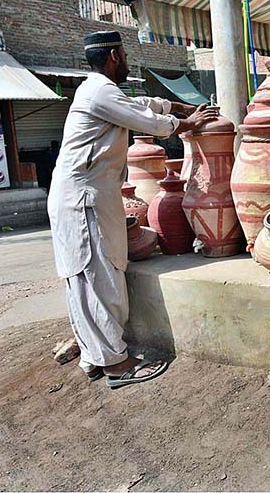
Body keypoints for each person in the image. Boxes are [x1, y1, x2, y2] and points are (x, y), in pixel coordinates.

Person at [47, 31, 218, 388]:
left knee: (93, 275)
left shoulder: (100, 91)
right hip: (83, 199)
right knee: (98, 275)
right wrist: (189, 123)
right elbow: (149, 122)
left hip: (86, 194)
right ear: (113, 56)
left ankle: (95, 357)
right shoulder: (99, 92)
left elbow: (143, 103)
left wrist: (181, 108)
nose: (126, 60)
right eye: (124, 55)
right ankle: (116, 364)